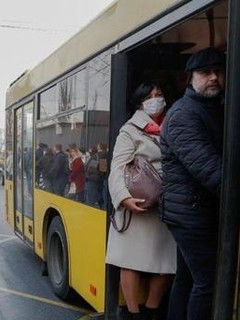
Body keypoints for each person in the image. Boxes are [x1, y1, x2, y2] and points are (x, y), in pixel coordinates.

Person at [160, 48, 226, 320]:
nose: (213, 77)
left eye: (218, 71)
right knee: (207, 282)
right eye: (205, 72)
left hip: (193, 210)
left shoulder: (210, 108)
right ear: (190, 78)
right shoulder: (183, 115)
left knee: (187, 279)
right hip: (191, 214)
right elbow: (211, 170)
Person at [106, 81, 176, 320]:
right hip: (137, 204)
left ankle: (152, 310)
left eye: (160, 94)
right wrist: (124, 198)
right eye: (151, 96)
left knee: (167, 264)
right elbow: (116, 168)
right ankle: (133, 314)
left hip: (167, 205)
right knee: (131, 261)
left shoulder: (173, 124)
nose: (157, 99)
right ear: (140, 102)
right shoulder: (130, 130)